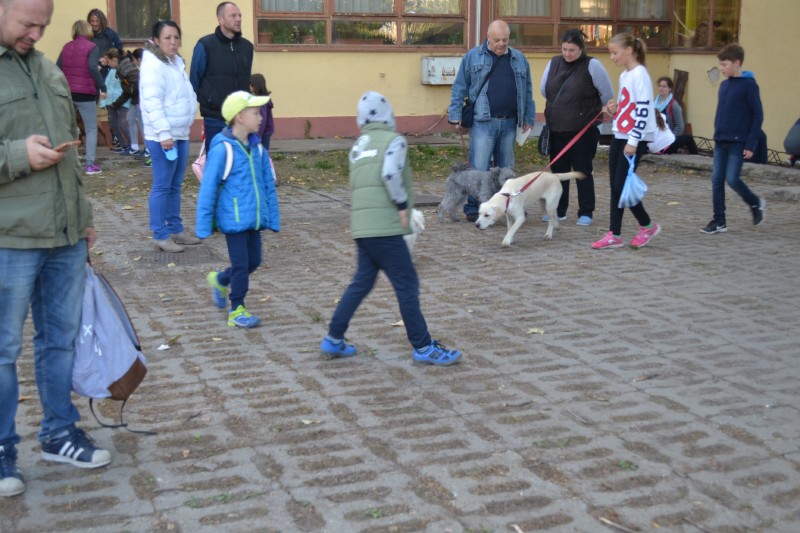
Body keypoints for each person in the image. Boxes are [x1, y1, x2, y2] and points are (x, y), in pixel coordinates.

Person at [0, 0, 112, 499]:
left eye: (43, 25)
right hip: (9, 238)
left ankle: (59, 434)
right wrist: (16, 155)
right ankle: (2, 449)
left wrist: (83, 217)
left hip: (63, 235)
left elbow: (69, 151)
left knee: (60, 341)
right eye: (28, 23)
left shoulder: (47, 69)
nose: (36, 33)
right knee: (3, 350)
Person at [320, 91, 462, 366]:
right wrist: (401, 204)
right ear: (388, 115)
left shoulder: (358, 146)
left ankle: (333, 338)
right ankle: (423, 346)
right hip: (386, 227)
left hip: (363, 228)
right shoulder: (394, 141)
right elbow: (389, 173)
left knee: (361, 283)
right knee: (407, 283)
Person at [197, 91, 280, 328]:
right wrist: (203, 224)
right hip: (233, 218)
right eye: (255, 113)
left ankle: (220, 279)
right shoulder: (223, 149)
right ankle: (237, 309)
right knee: (242, 265)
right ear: (239, 117)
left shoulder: (259, 149)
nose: (261, 118)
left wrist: (273, 218)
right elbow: (209, 187)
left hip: (254, 218)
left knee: (254, 262)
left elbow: (268, 185)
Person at [448, 20, 535, 222]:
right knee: (479, 168)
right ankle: (474, 208)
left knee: (507, 170)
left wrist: (528, 117)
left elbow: (528, 90)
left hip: (510, 122)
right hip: (483, 122)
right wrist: (455, 115)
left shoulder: (519, 59)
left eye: (505, 39)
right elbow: (459, 87)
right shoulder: (473, 57)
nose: (501, 44)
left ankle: (507, 207)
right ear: (488, 38)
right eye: (497, 40)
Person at [592, 33, 661, 250]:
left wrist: (633, 140)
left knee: (622, 185)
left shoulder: (640, 74)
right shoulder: (625, 75)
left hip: (633, 138)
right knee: (615, 185)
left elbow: (643, 109)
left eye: (615, 52)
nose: (612, 57)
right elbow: (628, 107)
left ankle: (647, 225)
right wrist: (615, 110)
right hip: (620, 134)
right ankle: (615, 234)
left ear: (629, 50)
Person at [540, 29, 614, 226]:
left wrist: (591, 111)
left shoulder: (593, 65)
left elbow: (607, 94)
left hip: (583, 130)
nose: (567, 53)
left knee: (582, 170)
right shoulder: (553, 63)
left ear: (581, 48)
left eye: (572, 50)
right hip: (557, 128)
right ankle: (558, 210)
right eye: (564, 49)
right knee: (558, 173)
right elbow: (544, 90)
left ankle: (586, 211)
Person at [140, 20, 200, 252]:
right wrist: (164, 134)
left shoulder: (175, 62)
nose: (173, 42)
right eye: (167, 38)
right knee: (162, 186)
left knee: (175, 186)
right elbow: (152, 103)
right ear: (156, 40)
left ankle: (175, 230)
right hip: (162, 137)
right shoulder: (153, 65)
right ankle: (160, 234)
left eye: (176, 37)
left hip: (180, 133)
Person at [700, 43, 765, 234]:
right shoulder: (724, 85)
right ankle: (719, 221)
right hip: (721, 140)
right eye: (720, 65)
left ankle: (755, 202)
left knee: (732, 179)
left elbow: (758, 115)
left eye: (724, 64)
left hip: (738, 141)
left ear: (737, 63)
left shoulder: (749, 86)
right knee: (716, 180)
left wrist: (751, 143)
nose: (721, 68)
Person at [190, 2, 254, 152]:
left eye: (239, 15)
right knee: (217, 159)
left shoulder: (247, 47)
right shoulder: (205, 45)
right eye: (233, 16)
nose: (238, 19)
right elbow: (194, 81)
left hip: (240, 118)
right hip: (215, 117)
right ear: (221, 19)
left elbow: (245, 79)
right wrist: (209, 101)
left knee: (239, 160)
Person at [56, 19, 106, 175]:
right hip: (85, 93)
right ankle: (90, 164)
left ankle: (70, 162)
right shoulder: (92, 47)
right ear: (87, 30)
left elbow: (57, 68)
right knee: (91, 129)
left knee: (70, 127)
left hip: (68, 93)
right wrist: (103, 86)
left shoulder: (66, 46)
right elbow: (92, 67)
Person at [654, 76, 698, 154]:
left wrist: (671, 138)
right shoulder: (653, 103)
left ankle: (696, 158)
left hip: (667, 139)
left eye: (664, 86)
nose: (661, 88)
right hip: (655, 138)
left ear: (670, 88)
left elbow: (680, 126)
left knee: (689, 138)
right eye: (660, 86)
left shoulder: (674, 105)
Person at [100, 48, 131, 155]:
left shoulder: (124, 70)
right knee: (113, 125)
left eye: (108, 61)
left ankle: (132, 145)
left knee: (122, 123)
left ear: (114, 59)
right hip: (110, 102)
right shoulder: (111, 71)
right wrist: (104, 102)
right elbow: (106, 86)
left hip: (123, 102)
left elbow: (128, 87)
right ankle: (123, 145)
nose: (107, 64)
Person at [250, 73, 275, 151]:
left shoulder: (261, 102)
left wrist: (256, 136)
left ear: (255, 86)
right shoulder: (264, 99)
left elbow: (262, 121)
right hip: (265, 133)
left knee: (261, 154)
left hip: (262, 134)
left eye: (250, 85)